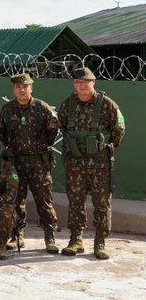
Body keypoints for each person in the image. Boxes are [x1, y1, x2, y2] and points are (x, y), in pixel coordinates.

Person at [58, 67, 125, 260]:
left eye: (85, 82)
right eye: (78, 82)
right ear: (74, 84)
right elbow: (62, 126)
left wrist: (104, 147)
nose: (82, 85)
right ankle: (75, 239)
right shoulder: (67, 105)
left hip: (100, 165)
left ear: (93, 82)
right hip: (75, 164)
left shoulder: (107, 105)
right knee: (75, 201)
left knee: (101, 203)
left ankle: (100, 241)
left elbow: (119, 128)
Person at [0, 73, 60, 254]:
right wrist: (12, 147)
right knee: (17, 200)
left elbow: (52, 130)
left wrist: (41, 146)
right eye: (18, 87)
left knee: (44, 200)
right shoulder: (7, 110)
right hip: (16, 163)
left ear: (31, 88)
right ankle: (17, 235)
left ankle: (50, 236)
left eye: (25, 86)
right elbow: (2, 131)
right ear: (14, 89)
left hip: (39, 164)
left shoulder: (42, 108)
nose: (22, 89)